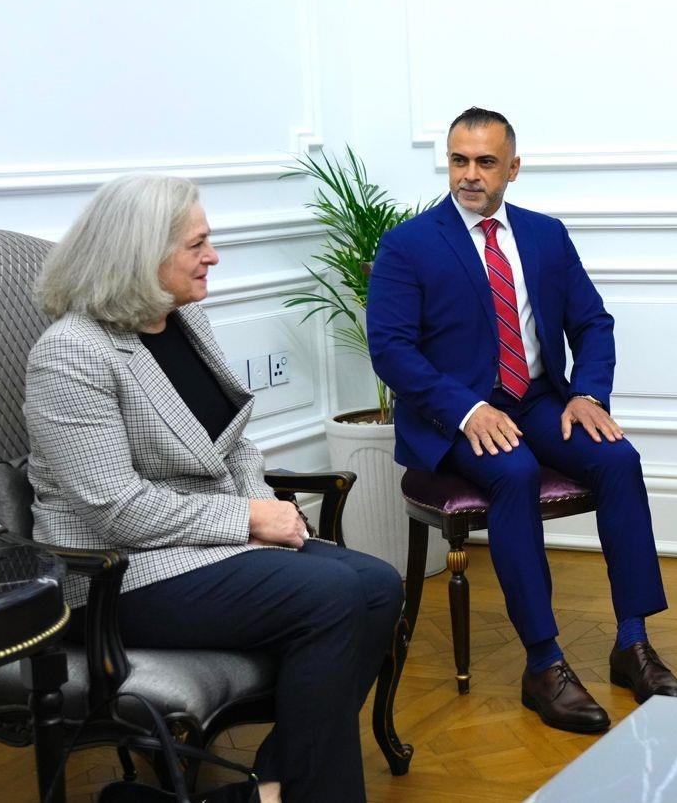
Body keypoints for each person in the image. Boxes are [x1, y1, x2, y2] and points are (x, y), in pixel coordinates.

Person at [25, 174, 403, 803]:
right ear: (141, 255)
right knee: (335, 593)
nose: (214, 256)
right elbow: (117, 508)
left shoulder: (183, 319)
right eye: (196, 244)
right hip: (117, 576)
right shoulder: (71, 354)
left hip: (202, 545)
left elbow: (235, 442)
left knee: (379, 585)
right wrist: (248, 519)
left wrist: (264, 506)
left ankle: (272, 789)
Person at [367, 107, 677, 734]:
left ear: (512, 168)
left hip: (538, 401)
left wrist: (587, 393)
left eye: (485, 162)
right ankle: (543, 664)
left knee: (618, 459)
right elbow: (392, 350)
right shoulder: (409, 244)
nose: (470, 174)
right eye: (459, 160)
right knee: (513, 471)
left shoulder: (545, 235)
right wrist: (465, 409)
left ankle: (632, 643)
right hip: (456, 414)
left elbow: (592, 323)